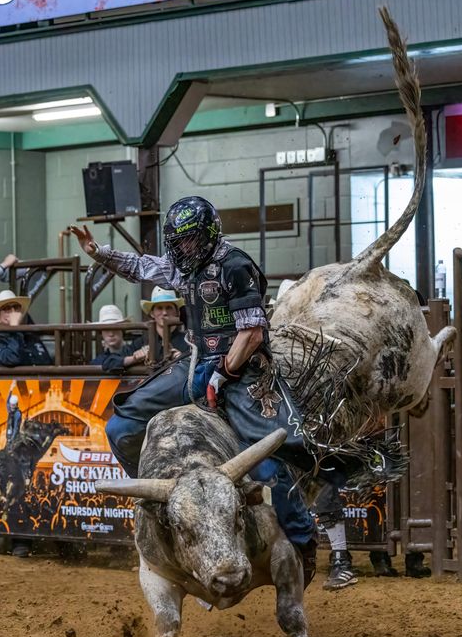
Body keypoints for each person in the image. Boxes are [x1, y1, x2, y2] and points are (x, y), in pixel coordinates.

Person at [68, 196, 318, 579]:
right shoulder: (185, 267)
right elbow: (140, 265)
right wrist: (97, 252)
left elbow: (251, 333)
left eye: (190, 239)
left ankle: (302, 543)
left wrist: (224, 373)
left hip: (245, 369)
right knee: (121, 425)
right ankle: (164, 501)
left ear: (208, 234)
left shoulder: (235, 266)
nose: (183, 247)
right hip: (196, 364)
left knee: (273, 457)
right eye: (178, 240)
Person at [0, 290, 52, 368]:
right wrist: (14, 328)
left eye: (16, 308)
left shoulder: (31, 338)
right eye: (6, 309)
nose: (13, 312)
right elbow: (13, 359)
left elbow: (47, 363)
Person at [90, 304, 148, 373]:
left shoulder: (135, 346)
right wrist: (134, 359)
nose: (111, 334)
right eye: (106, 329)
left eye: (115, 328)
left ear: (122, 330)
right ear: (101, 332)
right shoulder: (98, 360)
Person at [141, 286, 190, 361]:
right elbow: (116, 359)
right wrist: (134, 358)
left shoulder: (188, 341)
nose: (164, 313)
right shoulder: (141, 342)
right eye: (159, 308)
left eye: (169, 308)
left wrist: (183, 359)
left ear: (177, 312)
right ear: (152, 313)